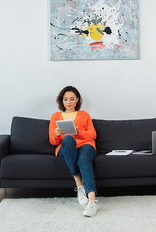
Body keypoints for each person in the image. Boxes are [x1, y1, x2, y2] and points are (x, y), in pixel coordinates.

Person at [49, 86, 98, 217]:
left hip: (85, 145)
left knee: (82, 159)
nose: (68, 102)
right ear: (61, 101)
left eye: (71, 99)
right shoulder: (55, 116)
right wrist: (57, 134)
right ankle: (79, 183)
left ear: (77, 100)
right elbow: (53, 141)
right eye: (65, 99)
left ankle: (92, 201)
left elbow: (93, 134)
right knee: (69, 138)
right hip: (66, 147)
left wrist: (78, 132)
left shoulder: (85, 115)